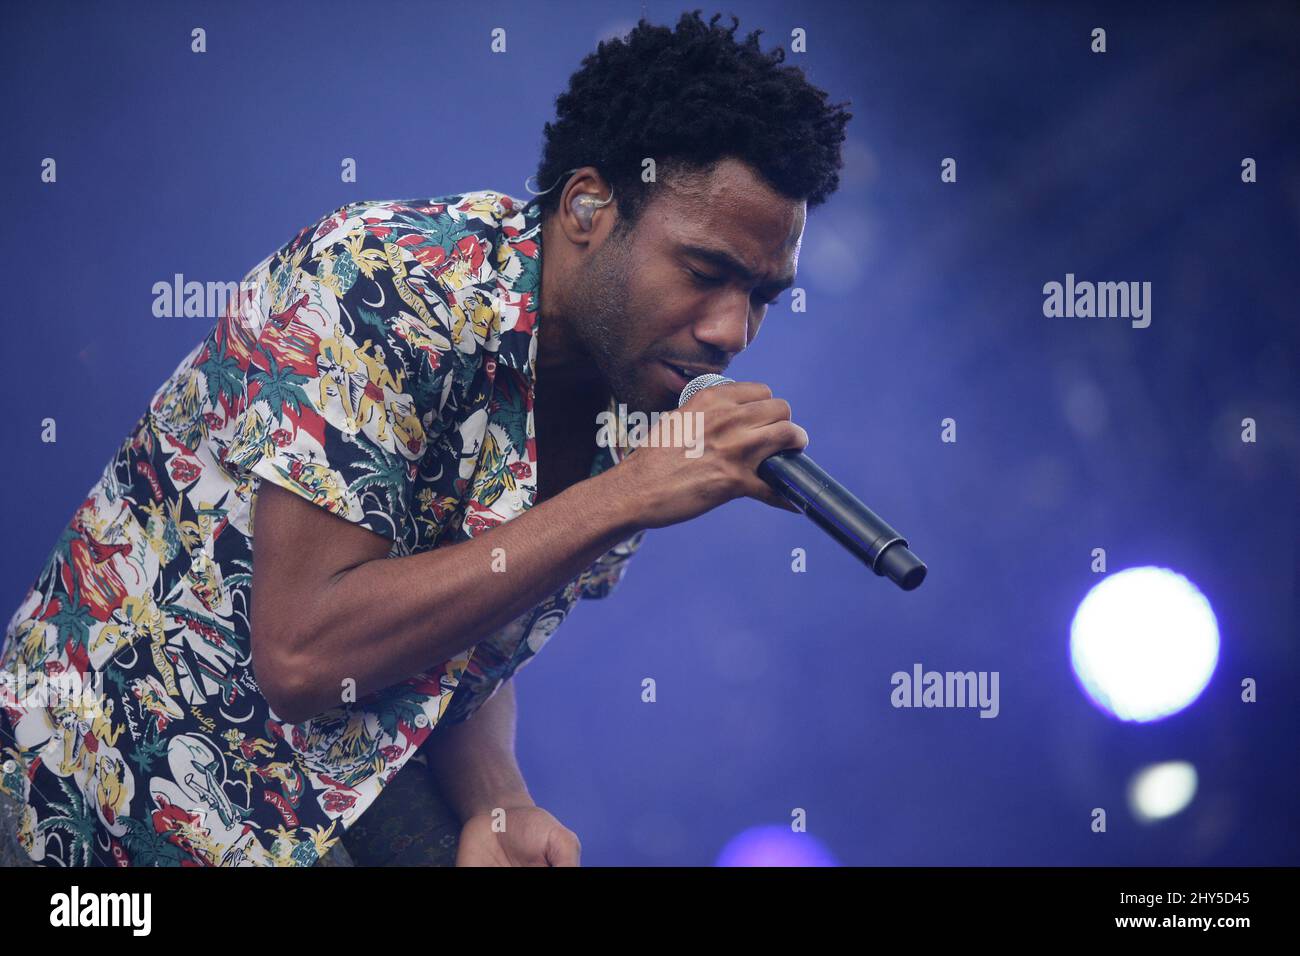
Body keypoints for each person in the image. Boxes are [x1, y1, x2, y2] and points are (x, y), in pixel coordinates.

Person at [0, 10, 849, 867]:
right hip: (92, 786)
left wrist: (502, 804)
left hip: (325, 792)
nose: (731, 331)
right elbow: (301, 656)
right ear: (588, 207)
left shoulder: (638, 397)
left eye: (763, 297)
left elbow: (462, 638)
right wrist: (624, 497)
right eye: (705, 274)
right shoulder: (379, 286)